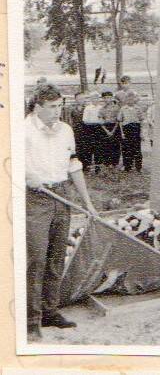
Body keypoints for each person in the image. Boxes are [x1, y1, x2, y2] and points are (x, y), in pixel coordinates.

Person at [25, 83, 96, 342]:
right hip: (35, 200)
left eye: (60, 106)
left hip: (61, 197)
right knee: (35, 261)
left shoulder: (66, 130)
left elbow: (73, 165)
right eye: (53, 107)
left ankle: (49, 312)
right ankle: (31, 322)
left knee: (56, 258)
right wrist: (28, 176)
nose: (58, 112)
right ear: (37, 107)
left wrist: (87, 202)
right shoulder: (22, 130)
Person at [118, 90, 144, 172]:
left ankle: (138, 167)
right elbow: (120, 121)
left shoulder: (138, 108)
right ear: (126, 99)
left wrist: (141, 133)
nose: (130, 100)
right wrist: (122, 133)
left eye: (132, 98)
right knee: (126, 149)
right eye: (128, 98)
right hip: (126, 129)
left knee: (137, 149)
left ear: (135, 99)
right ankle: (127, 166)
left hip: (136, 129)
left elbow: (141, 121)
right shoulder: (123, 109)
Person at [98, 91, 121, 167]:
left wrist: (113, 130)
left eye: (109, 98)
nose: (107, 99)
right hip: (105, 127)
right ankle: (107, 162)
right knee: (106, 145)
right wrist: (106, 130)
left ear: (112, 98)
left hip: (115, 126)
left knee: (115, 145)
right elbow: (101, 120)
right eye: (105, 98)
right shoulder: (102, 109)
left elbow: (118, 120)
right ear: (103, 99)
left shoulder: (117, 107)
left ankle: (115, 162)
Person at [82, 91, 103, 173]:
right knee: (89, 147)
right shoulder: (88, 108)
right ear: (91, 99)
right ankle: (88, 165)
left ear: (99, 99)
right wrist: (95, 122)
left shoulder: (101, 107)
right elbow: (85, 120)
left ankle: (98, 166)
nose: (95, 99)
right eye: (93, 98)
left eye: (97, 98)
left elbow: (102, 119)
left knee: (98, 147)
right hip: (89, 128)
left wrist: (99, 122)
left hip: (99, 128)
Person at [70, 92, 90, 171]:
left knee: (86, 147)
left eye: (82, 98)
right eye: (79, 98)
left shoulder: (87, 108)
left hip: (86, 130)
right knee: (77, 148)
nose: (81, 100)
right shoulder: (72, 109)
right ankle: (78, 165)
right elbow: (70, 119)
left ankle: (86, 165)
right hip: (76, 130)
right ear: (75, 99)